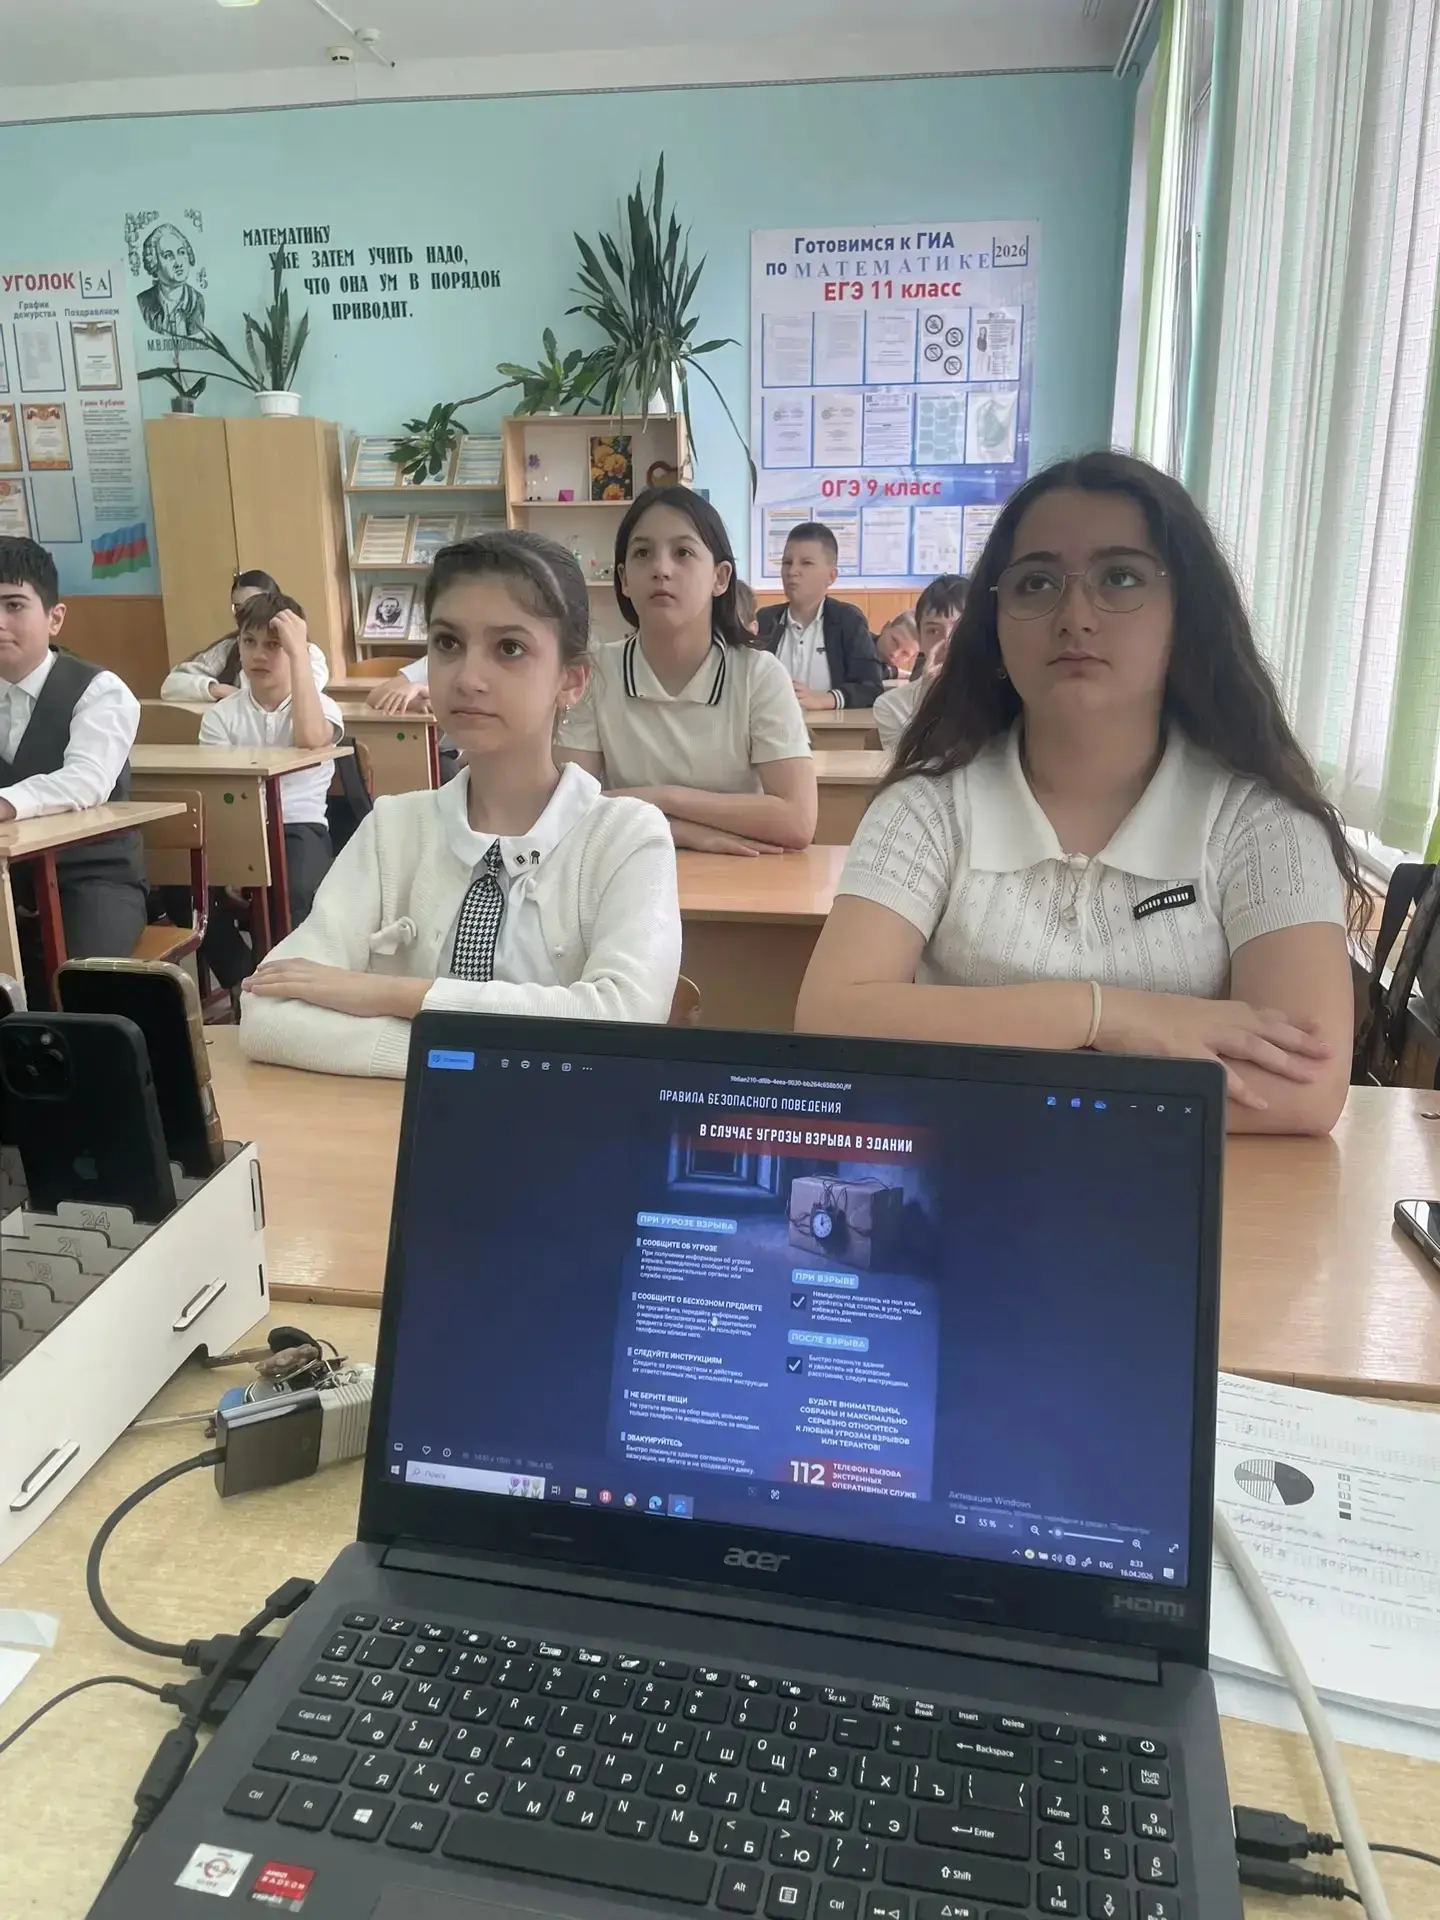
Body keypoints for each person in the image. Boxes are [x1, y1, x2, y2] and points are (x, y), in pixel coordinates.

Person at [796, 451, 1363, 1137]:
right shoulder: (924, 809)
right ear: (996, 627)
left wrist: (982, 1066)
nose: (1074, 616)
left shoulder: (1264, 824)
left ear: (1186, 616)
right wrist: (1102, 1015)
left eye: (1120, 577)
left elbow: (1300, 1086)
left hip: (1188, 1196)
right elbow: (829, 1022)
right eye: (1036, 583)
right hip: (961, 1185)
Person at [240, 531, 681, 1078]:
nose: (469, 678)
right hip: (387, 1125)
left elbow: (624, 1019)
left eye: (510, 649)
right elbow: (267, 1013)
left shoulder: (625, 836)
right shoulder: (392, 828)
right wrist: (484, 1060)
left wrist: (395, 995)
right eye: (448, 643)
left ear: (571, 680)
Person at [556, 485, 817, 857]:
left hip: (741, 874)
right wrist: (679, 830)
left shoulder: (758, 675)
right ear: (624, 579)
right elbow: (566, 808)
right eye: (642, 553)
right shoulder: (596, 672)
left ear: (720, 578)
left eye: (683, 553)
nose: (661, 569)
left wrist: (667, 798)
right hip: (625, 864)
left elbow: (797, 821)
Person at [0, 536, 146, 971]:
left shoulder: (101, 691)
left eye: (14, 605)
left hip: (91, 878)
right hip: (7, 879)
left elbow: (86, 780)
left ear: (55, 617)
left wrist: (6, 802)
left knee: (84, 979)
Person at [197, 590, 343, 988]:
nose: (259, 655)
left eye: (273, 645)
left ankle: (290, 983)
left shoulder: (321, 706)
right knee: (184, 891)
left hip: (298, 826)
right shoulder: (220, 717)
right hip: (237, 829)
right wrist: (237, 855)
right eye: (249, 642)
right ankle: (243, 978)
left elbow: (311, 738)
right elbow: (219, 794)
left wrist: (299, 656)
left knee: (295, 888)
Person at [755, 522, 884, 710]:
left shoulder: (847, 621)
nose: (792, 571)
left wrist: (823, 700)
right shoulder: (765, 620)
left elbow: (871, 688)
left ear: (831, 576)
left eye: (806, 563)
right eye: (787, 562)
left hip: (829, 727)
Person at [160, 569, 328, 703]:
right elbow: (172, 685)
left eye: (272, 645)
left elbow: (304, 696)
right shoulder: (229, 647)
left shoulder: (306, 651)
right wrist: (217, 689)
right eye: (238, 607)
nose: (246, 613)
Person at [873, 576, 969, 749]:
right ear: (920, 640)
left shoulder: (1007, 696)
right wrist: (929, 697)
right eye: (933, 631)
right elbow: (911, 762)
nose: (947, 643)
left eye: (960, 629)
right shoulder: (891, 706)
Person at [136, 222, 206, 338]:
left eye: (181, 252)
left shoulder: (199, 302)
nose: (178, 263)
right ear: (154, 262)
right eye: (168, 255)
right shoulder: (142, 303)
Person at [875, 610, 920, 680]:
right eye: (895, 641)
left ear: (912, 657)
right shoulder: (859, 641)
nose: (894, 654)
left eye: (905, 653)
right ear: (886, 627)